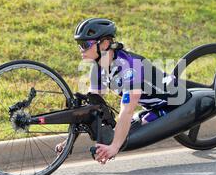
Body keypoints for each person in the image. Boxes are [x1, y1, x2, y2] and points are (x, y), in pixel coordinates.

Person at [56, 18, 184, 164]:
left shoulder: (129, 67)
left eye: (85, 45)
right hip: (152, 107)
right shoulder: (98, 68)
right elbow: (91, 109)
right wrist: (69, 142)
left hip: (173, 103)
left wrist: (114, 147)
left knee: (132, 130)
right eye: (79, 45)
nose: (81, 49)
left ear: (104, 44)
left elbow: (127, 108)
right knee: (120, 130)